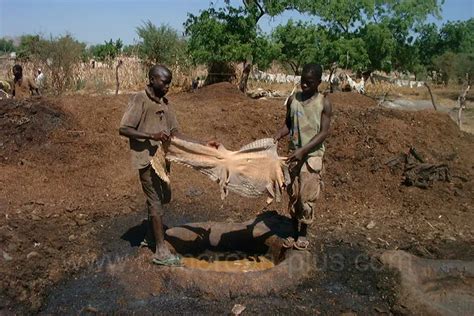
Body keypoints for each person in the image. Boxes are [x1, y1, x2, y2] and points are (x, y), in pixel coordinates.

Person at [119, 64, 218, 266]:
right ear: (153, 79)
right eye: (165, 83)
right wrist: (151, 136)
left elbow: (176, 134)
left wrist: (202, 143)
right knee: (155, 200)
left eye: (169, 84)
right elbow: (124, 128)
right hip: (147, 160)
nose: (167, 87)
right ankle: (161, 252)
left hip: (162, 160)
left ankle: (149, 237)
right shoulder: (140, 99)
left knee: (162, 198)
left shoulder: (165, 104)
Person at [274, 63, 332, 250]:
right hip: (294, 155)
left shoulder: (324, 103)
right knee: (293, 193)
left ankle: (303, 232)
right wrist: (277, 135)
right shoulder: (293, 100)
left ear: (319, 82)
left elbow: (323, 133)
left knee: (307, 196)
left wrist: (304, 150)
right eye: (302, 81)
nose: (304, 85)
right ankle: (292, 230)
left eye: (309, 82)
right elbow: (288, 125)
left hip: (312, 155)